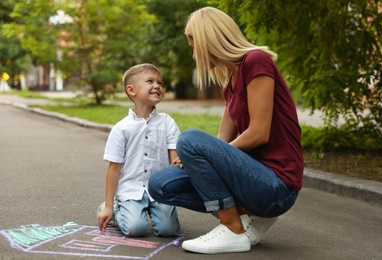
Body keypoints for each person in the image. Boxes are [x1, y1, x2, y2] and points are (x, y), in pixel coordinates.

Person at [148, 7, 304, 254]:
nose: (193, 55)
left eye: (193, 46)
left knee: (188, 139)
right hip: (252, 178)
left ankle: (232, 228)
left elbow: (259, 133)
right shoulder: (230, 80)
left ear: (209, 40)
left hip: (277, 184)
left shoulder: (256, 61)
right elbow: (222, 140)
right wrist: (195, 161)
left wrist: (206, 153)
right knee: (160, 184)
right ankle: (247, 215)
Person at [97, 63, 181, 237]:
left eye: (160, 83)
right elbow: (114, 169)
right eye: (150, 81)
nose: (157, 86)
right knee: (135, 229)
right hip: (131, 188)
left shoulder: (167, 122)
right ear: (131, 90)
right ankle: (116, 208)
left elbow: (174, 158)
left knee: (169, 230)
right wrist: (107, 205)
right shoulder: (122, 128)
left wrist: (179, 161)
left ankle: (159, 213)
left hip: (159, 189)